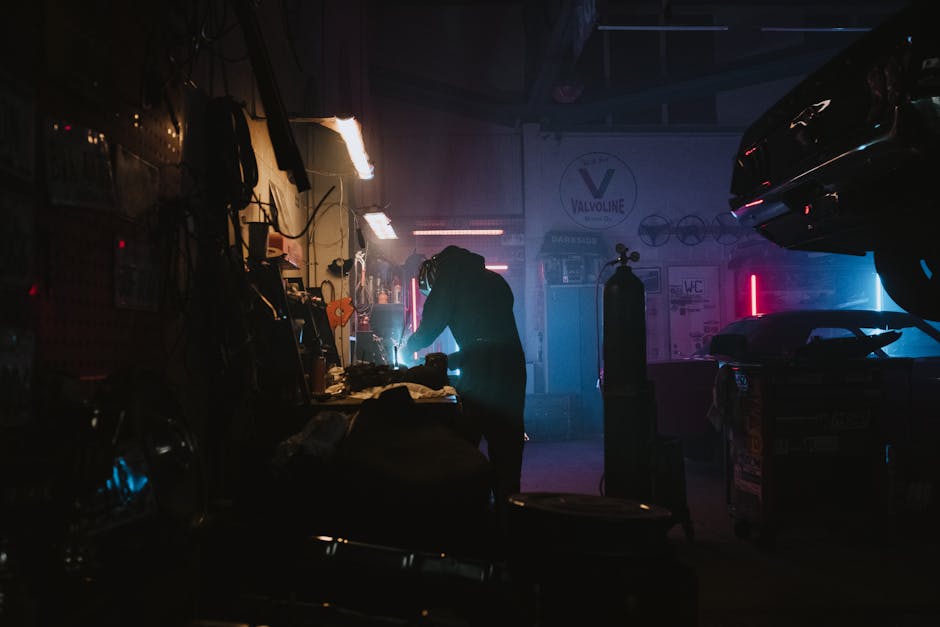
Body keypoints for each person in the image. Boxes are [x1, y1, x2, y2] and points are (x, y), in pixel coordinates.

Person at [404, 245, 527, 507]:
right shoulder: (495, 280)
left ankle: (469, 515)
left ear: (433, 276)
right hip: (513, 369)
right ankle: (509, 516)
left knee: (462, 446)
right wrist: (453, 360)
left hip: (483, 374)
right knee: (507, 448)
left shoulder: (449, 280)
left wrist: (408, 348)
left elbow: (429, 328)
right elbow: (490, 341)